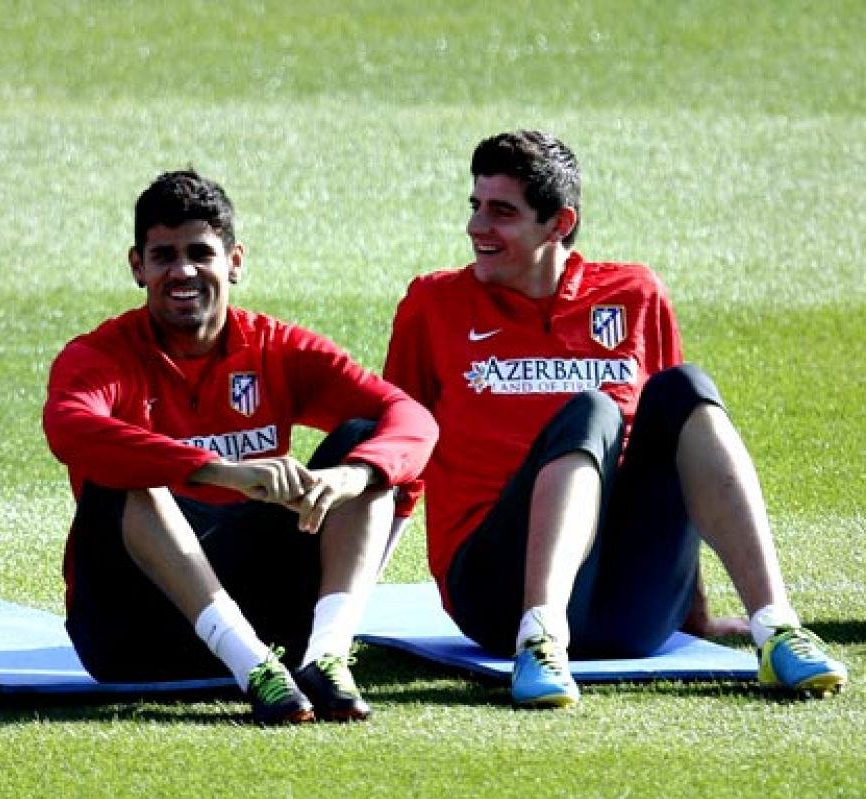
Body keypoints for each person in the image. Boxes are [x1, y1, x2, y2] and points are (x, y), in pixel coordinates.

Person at [382, 131, 848, 707]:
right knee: (592, 410)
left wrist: (691, 614)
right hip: (494, 596)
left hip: (629, 608)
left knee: (687, 388)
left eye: (501, 211)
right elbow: (398, 456)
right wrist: (345, 607)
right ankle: (541, 640)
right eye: (474, 206)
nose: (477, 227)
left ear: (559, 222)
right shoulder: (433, 305)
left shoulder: (634, 293)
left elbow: (680, 458)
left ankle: (777, 629)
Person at [42, 170, 437, 726]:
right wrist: (218, 470)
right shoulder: (100, 356)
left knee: (366, 444)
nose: (182, 272)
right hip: (134, 638)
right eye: (163, 256)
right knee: (126, 470)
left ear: (235, 261)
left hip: (277, 619)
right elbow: (69, 428)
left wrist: (352, 477)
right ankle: (253, 668)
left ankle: (326, 656)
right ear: (138, 267)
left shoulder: (277, 347)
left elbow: (414, 420)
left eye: (200, 253)